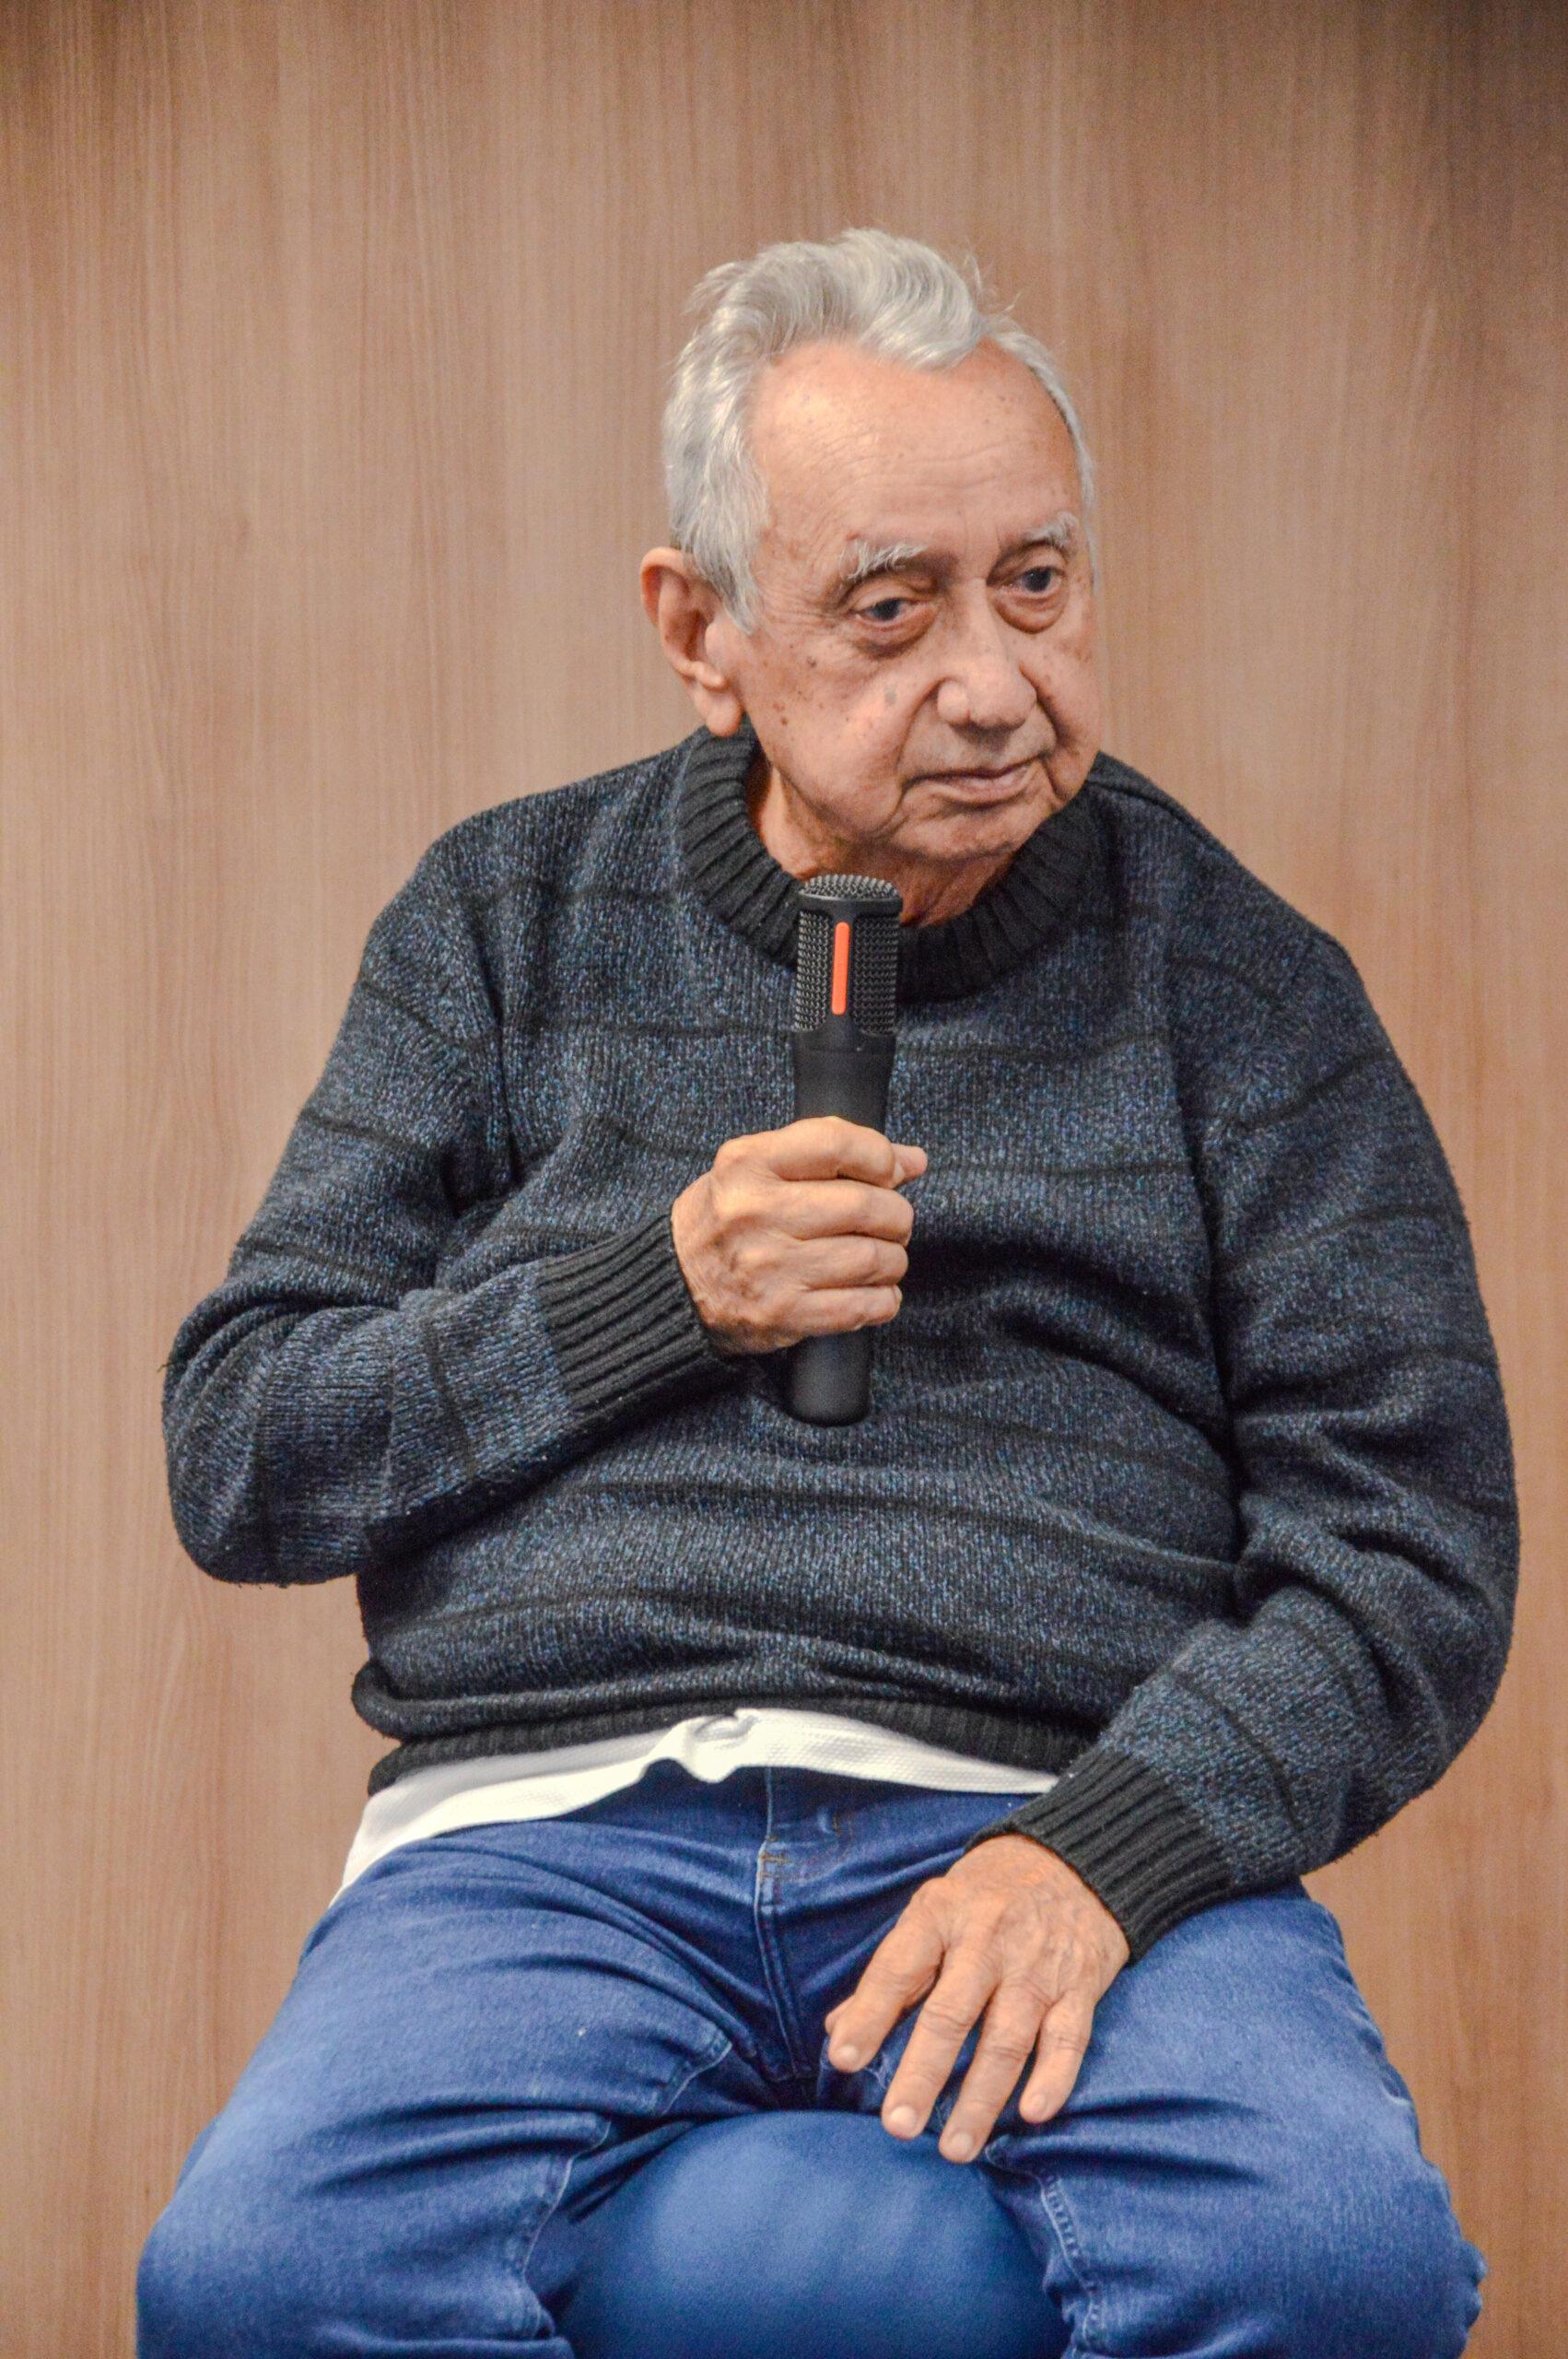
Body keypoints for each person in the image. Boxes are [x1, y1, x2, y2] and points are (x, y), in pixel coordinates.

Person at [136, 228, 1515, 2356]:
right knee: (261, 2282)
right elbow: (243, 1448)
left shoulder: (1242, 984)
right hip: (552, 1832)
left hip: (1061, 1816)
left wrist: (1102, 1856)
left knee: (1327, 2260)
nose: (991, 682)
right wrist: (657, 1291)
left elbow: (1406, 1544)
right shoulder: (501, 919)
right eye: (892, 607)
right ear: (699, 631)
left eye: (1034, 583)